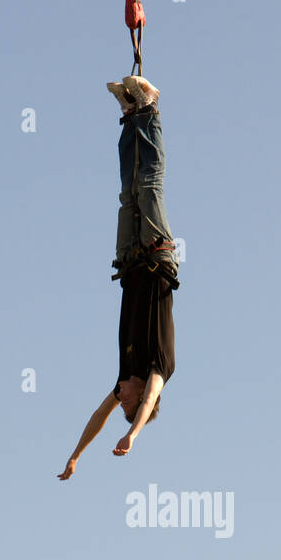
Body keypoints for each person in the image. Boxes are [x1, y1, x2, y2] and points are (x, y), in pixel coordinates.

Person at [58, 76, 179, 481]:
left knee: (128, 192)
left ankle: (130, 115)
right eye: (125, 399)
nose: (119, 395)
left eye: (121, 400)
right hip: (157, 257)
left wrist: (76, 454)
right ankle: (151, 107)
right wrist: (133, 433)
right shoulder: (161, 367)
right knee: (149, 185)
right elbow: (148, 403)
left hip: (129, 262)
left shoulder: (123, 373)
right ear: (140, 393)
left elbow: (97, 416)